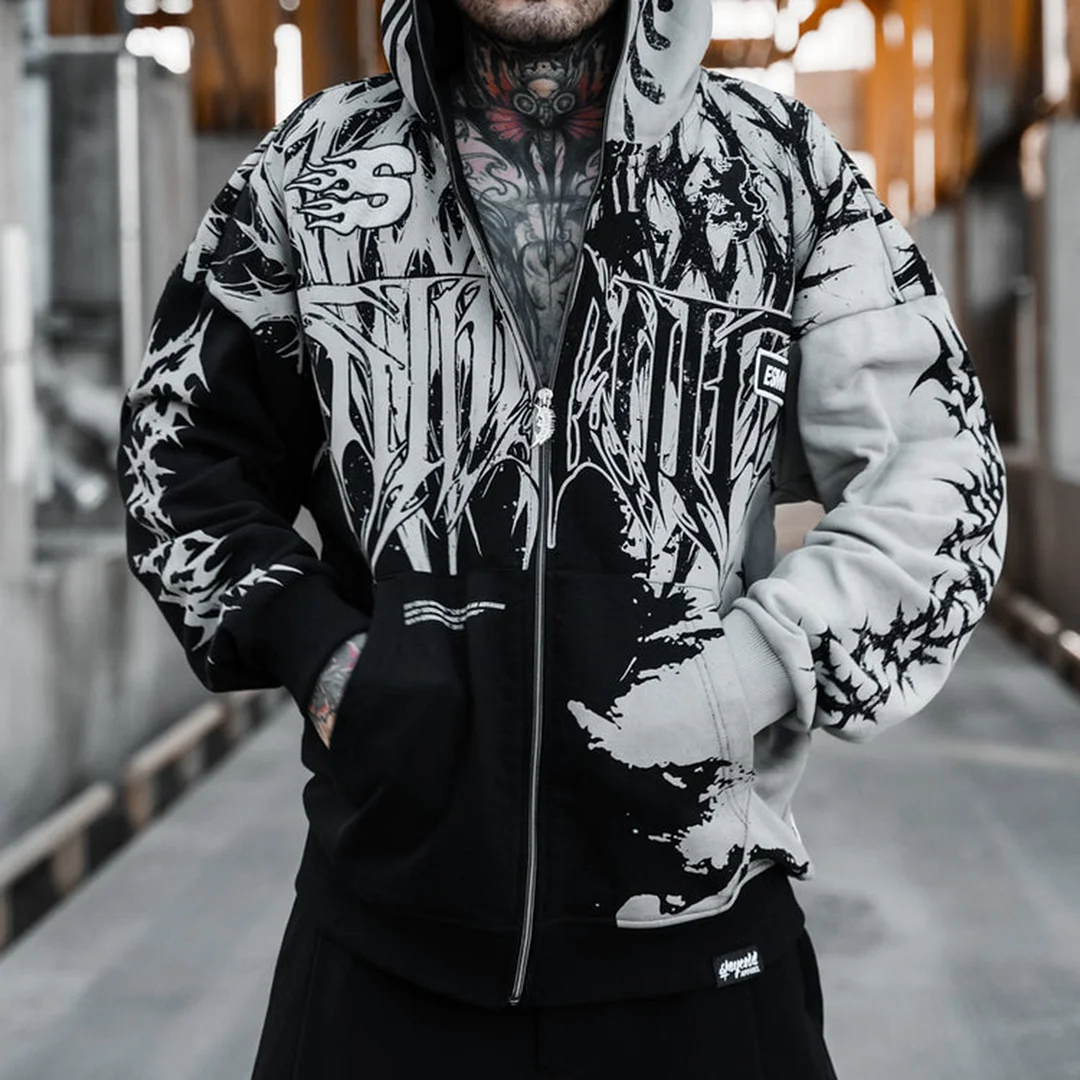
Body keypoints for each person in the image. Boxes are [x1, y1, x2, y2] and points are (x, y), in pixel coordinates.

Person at [118, 0, 1007, 1075]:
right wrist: (324, 654)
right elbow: (177, 454)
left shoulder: (773, 166)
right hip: (383, 956)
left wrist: (750, 674)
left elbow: (941, 471)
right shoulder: (315, 172)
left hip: (703, 961)